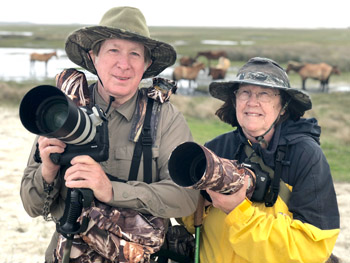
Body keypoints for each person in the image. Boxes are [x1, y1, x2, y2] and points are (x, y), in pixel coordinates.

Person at [20, 6, 199, 262]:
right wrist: (47, 172)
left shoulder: (165, 118)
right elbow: (31, 206)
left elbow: (186, 197)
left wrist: (112, 190)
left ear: (147, 64)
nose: (123, 64)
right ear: (94, 57)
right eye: (113, 50)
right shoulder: (64, 111)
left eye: (135, 54)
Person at [182, 57, 340, 262]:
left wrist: (238, 211)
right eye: (244, 92)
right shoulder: (216, 149)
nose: (252, 102)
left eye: (264, 94)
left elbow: (311, 249)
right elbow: (188, 220)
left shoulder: (305, 156)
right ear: (235, 100)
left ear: (283, 106)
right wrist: (197, 203)